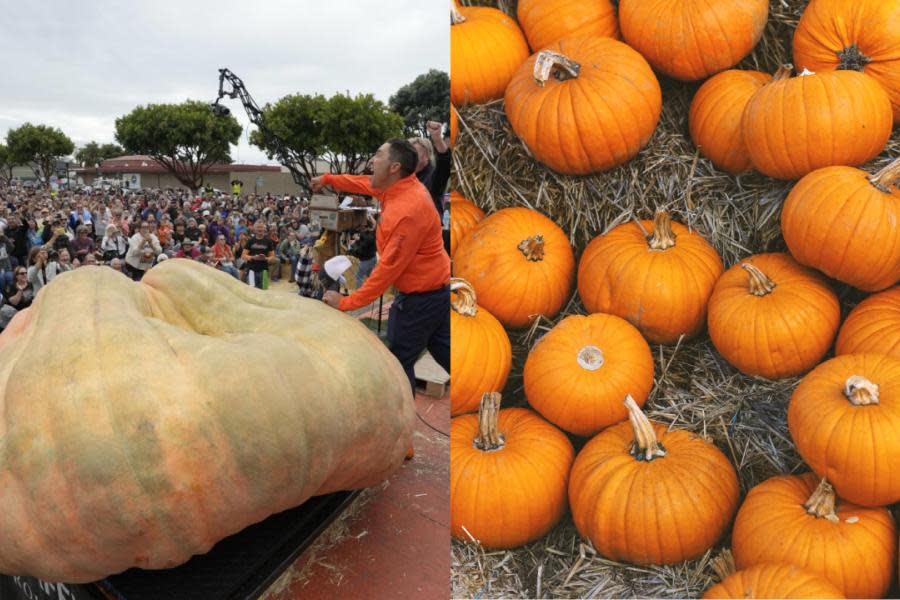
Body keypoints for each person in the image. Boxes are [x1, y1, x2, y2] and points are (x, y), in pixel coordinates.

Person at [311, 138, 450, 395]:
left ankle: (401, 421)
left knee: (396, 363)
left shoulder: (408, 211)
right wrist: (329, 179)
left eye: (378, 155)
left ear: (394, 167)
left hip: (420, 300)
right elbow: (362, 183)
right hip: (434, 293)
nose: (372, 160)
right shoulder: (397, 188)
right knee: (446, 350)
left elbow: (387, 270)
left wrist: (345, 303)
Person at [241, 221, 276, 289]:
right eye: (258, 227)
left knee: (264, 290)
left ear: (264, 229)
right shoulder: (250, 241)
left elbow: (273, 256)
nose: (260, 229)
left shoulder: (268, 241)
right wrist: (253, 257)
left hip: (264, 270)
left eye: (261, 227)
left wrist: (266, 258)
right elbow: (243, 255)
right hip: (252, 269)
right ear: (255, 229)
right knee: (252, 290)